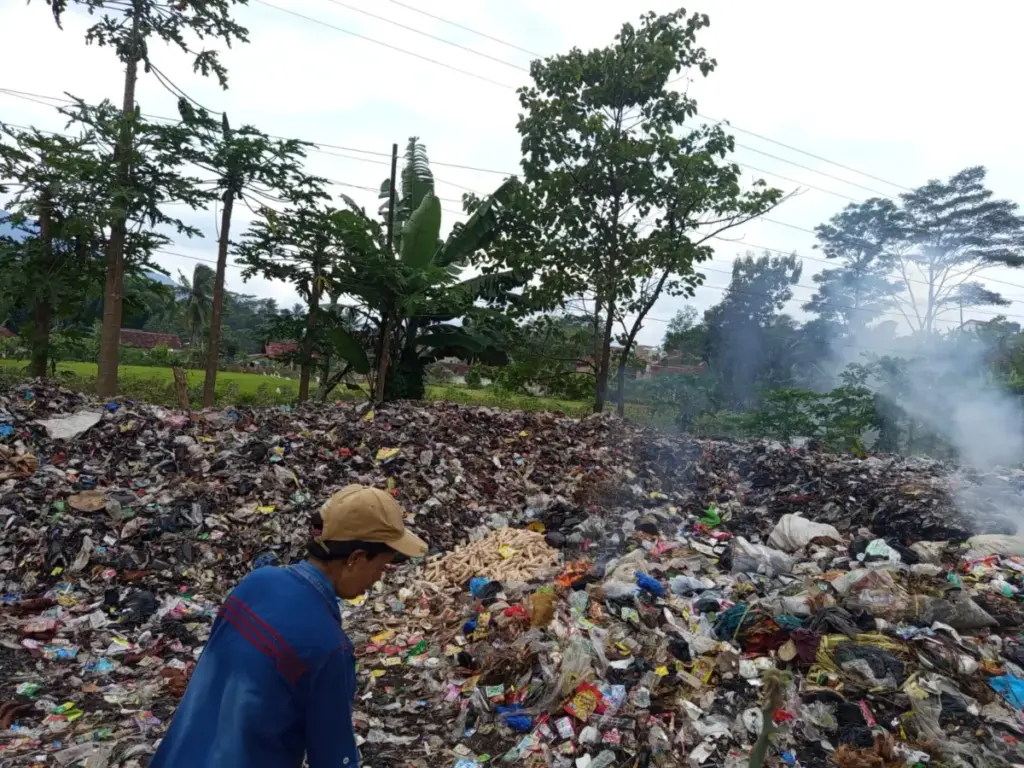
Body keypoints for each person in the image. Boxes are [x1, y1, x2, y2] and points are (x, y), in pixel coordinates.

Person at [150, 484, 427, 768]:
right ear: (356, 558)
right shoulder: (330, 648)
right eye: (381, 566)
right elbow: (333, 760)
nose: (378, 578)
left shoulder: (255, 584)